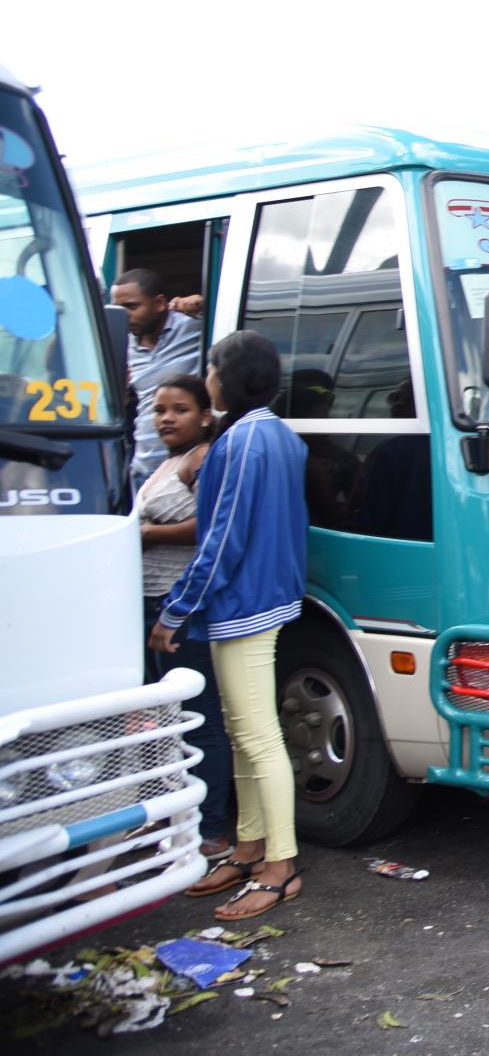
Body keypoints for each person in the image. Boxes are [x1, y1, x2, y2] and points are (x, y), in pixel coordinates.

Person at [149, 331, 309, 922]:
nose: (208, 378)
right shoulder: (279, 434)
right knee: (246, 734)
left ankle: (280, 867)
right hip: (263, 599)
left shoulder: (243, 440)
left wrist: (177, 609)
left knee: (256, 736)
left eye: (212, 369)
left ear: (230, 377)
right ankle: (249, 849)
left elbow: (222, 539)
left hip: (244, 604)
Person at [138, 373, 232, 859]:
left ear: (205, 416)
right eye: (160, 410)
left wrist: (148, 535)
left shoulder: (202, 458)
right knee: (161, 719)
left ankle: (210, 829)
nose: (167, 418)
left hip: (180, 608)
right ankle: (171, 815)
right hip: (150, 603)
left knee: (200, 720)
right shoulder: (167, 462)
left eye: (180, 409)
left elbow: (213, 526)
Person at [110, 268, 205, 494]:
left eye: (131, 307)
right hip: (143, 467)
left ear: (160, 303)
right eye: (119, 310)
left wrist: (199, 302)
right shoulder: (123, 345)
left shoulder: (191, 326)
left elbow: (225, 310)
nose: (125, 316)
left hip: (184, 469)